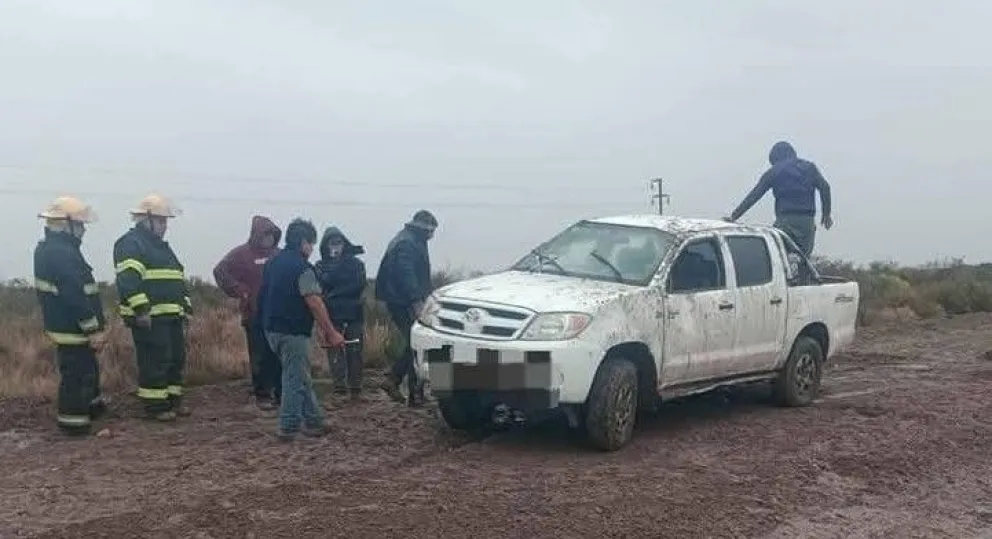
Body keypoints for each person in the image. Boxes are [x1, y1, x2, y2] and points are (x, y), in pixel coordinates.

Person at [257, 218, 346, 441]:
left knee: (300, 374)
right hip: (292, 331)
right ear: (304, 243)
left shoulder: (273, 263)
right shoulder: (303, 268)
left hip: (271, 330)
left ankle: (314, 420)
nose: (312, 249)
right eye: (311, 244)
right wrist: (331, 332)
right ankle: (289, 427)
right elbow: (314, 301)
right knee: (294, 378)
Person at [33, 196, 109, 436]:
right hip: (71, 328)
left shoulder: (58, 249)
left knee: (86, 370)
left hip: (69, 327)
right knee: (76, 375)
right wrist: (92, 329)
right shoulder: (60, 253)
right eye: (80, 225)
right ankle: (73, 423)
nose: (84, 229)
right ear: (66, 225)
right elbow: (74, 295)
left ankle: (91, 407)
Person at [113, 194, 192, 422]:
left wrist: (186, 308)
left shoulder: (161, 247)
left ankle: (173, 401)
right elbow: (129, 280)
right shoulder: (131, 243)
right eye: (161, 221)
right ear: (146, 220)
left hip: (171, 315)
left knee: (176, 358)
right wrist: (141, 309)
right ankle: (155, 406)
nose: (165, 226)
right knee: (155, 360)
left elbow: (176, 279)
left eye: (165, 221)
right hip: (150, 318)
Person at [212, 216, 283, 410]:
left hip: (277, 315)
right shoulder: (241, 254)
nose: (269, 238)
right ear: (256, 235)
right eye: (266, 234)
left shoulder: (278, 254)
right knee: (259, 356)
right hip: (254, 314)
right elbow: (220, 271)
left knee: (277, 355)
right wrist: (239, 289)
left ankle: (281, 393)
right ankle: (262, 395)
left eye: (272, 234)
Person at [725, 141, 833, 256]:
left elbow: (755, 195)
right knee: (804, 260)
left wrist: (734, 216)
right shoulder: (810, 168)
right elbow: (825, 187)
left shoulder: (774, 171)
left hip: (785, 220)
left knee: (779, 255)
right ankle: (802, 272)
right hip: (807, 221)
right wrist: (826, 213)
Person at [375, 210, 438, 407]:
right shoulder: (407, 244)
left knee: (415, 344)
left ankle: (404, 386)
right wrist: (416, 301)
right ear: (424, 228)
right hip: (403, 302)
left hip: (401, 300)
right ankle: (406, 388)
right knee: (417, 345)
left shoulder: (410, 240)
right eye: (431, 230)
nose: (433, 235)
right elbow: (406, 274)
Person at [314, 226, 367, 401]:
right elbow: (320, 286)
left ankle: (356, 387)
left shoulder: (356, 264)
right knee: (335, 351)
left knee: (355, 351)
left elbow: (358, 285)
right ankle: (339, 387)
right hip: (331, 315)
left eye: (339, 242)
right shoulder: (320, 266)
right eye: (332, 243)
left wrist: (334, 292)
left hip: (354, 314)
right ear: (325, 245)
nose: (335, 246)